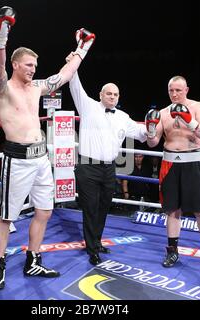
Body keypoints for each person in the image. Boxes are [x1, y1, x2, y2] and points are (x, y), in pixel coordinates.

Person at [0, 6, 94, 290]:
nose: (33, 69)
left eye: (34, 66)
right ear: (15, 65)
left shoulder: (36, 87)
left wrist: (82, 49)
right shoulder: (3, 89)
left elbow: (63, 75)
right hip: (17, 160)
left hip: (40, 159)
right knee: (6, 216)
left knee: (44, 211)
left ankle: (32, 260)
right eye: (28, 65)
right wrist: (1, 37)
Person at [69, 62, 151, 266]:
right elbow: (74, 84)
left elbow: (142, 134)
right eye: (109, 94)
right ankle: (92, 249)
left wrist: (153, 127)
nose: (112, 97)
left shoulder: (123, 117)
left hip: (109, 168)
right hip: (88, 167)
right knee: (91, 208)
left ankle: (96, 242)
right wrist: (74, 61)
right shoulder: (87, 106)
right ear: (101, 95)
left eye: (115, 95)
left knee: (104, 207)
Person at [146, 75, 200, 268]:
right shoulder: (163, 113)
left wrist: (191, 122)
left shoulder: (198, 107)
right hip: (170, 164)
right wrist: (151, 129)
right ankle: (172, 252)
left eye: (178, 90)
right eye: (171, 90)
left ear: (186, 90)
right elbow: (153, 143)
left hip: (193, 162)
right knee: (172, 210)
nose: (174, 94)